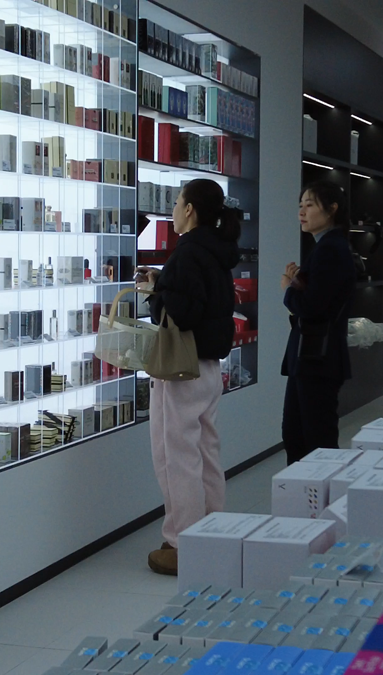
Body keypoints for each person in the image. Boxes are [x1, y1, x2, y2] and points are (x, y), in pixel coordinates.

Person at [138, 179, 241, 576]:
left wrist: (155, 293)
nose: (174, 210)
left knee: (175, 456)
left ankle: (182, 543)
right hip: (210, 367)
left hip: (181, 368)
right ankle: (212, 530)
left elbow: (180, 312)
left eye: (177, 202)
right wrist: (163, 285)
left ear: (190, 210)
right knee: (206, 451)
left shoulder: (187, 252)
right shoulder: (218, 251)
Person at [281, 181, 357, 464]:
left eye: (310, 205)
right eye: (300, 205)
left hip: (316, 358)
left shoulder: (330, 249)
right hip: (313, 357)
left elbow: (312, 307)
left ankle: (314, 491)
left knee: (313, 441)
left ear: (332, 209)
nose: (302, 212)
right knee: (299, 435)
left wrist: (289, 289)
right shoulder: (328, 246)